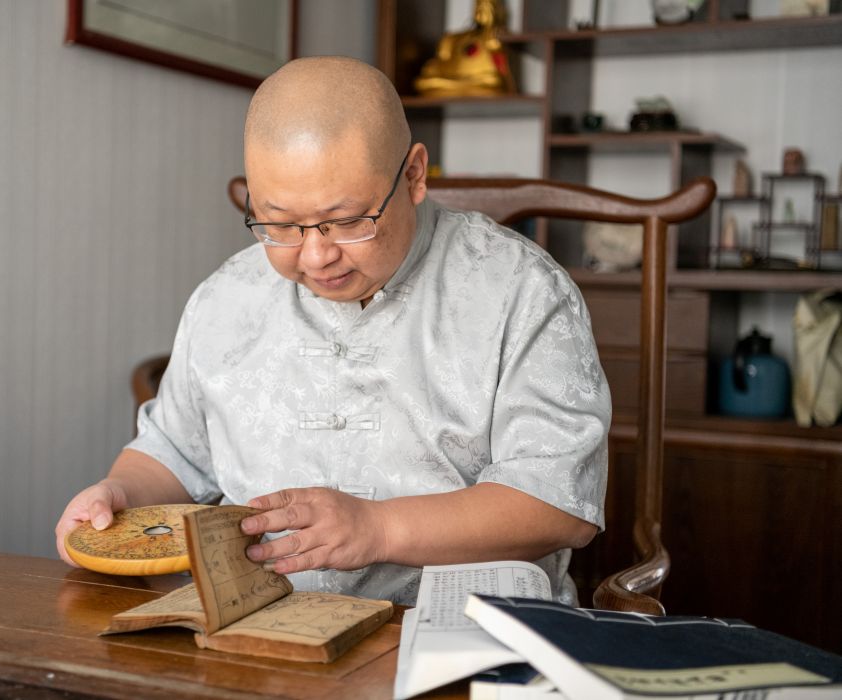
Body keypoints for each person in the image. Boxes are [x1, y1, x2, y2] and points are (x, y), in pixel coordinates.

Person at [55, 56, 610, 605]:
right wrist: (119, 493)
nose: (317, 255)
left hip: (454, 628)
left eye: (347, 221)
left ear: (414, 176)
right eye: (280, 224)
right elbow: (173, 452)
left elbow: (557, 502)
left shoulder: (518, 289)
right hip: (257, 623)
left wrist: (379, 528)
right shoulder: (227, 297)